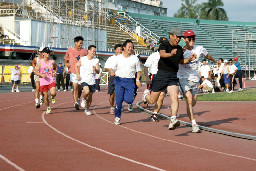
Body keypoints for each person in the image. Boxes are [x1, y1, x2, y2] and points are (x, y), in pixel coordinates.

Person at [142, 28, 195, 130]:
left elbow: (180, 61)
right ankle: (145, 96)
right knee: (153, 101)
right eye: (177, 37)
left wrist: (189, 59)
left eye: (180, 37)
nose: (179, 39)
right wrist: (170, 54)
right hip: (161, 75)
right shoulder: (164, 45)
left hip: (173, 76)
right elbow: (162, 54)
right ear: (171, 36)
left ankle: (173, 119)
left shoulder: (179, 49)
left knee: (174, 97)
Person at [177, 30, 216, 132]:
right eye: (189, 39)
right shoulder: (181, 51)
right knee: (189, 99)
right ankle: (194, 124)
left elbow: (207, 55)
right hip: (183, 77)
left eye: (193, 38)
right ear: (185, 39)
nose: (192, 40)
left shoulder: (199, 48)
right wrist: (189, 59)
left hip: (194, 79)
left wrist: (214, 61)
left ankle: (186, 98)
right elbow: (179, 61)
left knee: (192, 102)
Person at [108, 39, 141, 125]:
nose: (131, 48)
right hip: (119, 80)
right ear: (124, 47)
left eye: (132, 47)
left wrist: (137, 80)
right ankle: (117, 117)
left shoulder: (135, 59)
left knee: (129, 100)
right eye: (129, 47)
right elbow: (111, 67)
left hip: (130, 81)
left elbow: (138, 71)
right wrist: (111, 71)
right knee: (118, 101)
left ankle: (124, 97)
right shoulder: (118, 58)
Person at [144, 37, 168, 122]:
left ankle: (154, 114)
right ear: (160, 45)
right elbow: (146, 66)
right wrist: (147, 77)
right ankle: (146, 96)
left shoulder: (168, 56)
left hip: (164, 78)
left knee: (161, 96)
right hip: (154, 77)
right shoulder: (154, 55)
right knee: (152, 100)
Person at [64, 36, 87, 110]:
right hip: (73, 71)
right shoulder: (69, 50)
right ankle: (76, 102)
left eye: (82, 43)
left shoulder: (84, 51)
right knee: (75, 87)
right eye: (80, 43)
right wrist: (66, 65)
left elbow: (87, 59)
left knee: (80, 89)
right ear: (75, 42)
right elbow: (66, 59)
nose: (81, 45)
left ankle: (79, 98)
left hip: (82, 72)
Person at [75, 45, 100, 115]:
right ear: (88, 51)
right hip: (84, 79)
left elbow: (98, 71)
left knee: (90, 96)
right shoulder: (83, 59)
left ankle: (87, 108)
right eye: (93, 51)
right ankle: (83, 99)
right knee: (87, 91)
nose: (94, 53)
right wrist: (77, 75)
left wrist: (95, 69)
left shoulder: (96, 60)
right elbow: (76, 66)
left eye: (95, 51)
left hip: (91, 80)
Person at [35, 47, 57, 114]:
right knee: (46, 96)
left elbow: (55, 68)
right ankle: (48, 107)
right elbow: (35, 72)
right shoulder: (40, 62)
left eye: (49, 52)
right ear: (43, 53)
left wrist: (54, 72)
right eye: (47, 52)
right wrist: (41, 75)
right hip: (43, 81)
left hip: (50, 79)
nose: (48, 54)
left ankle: (52, 97)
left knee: (53, 93)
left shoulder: (52, 62)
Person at [104, 44, 123, 115]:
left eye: (121, 49)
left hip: (122, 77)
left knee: (120, 93)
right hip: (113, 77)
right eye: (118, 49)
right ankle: (112, 107)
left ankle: (119, 105)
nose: (119, 51)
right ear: (115, 50)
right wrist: (111, 71)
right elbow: (106, 67)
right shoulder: (111, 58)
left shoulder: (125, 58)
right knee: (112, 94)